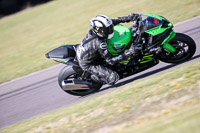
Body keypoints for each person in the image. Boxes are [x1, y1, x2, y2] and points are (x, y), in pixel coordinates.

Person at [76, 13, 140, 85]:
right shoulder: (100, 44)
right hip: (88, 63)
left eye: (110, 28)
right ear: (99, 30)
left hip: (89, 53)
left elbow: (115, 21)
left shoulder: (100, 28)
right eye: (107, 30)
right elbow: (110, 60)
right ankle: (93, 78)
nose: (110, 30)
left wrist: (129, 18)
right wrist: (126, 53)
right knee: (113, 78)